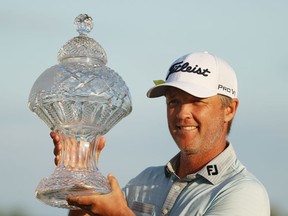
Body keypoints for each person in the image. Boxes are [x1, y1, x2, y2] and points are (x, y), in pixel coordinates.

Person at [51, 51, 270, 216]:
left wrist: (120, 214)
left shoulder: (244, 193)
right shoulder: (146, 180)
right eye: (173, 101)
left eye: (197, 101)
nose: (183, 113)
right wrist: (81, 181)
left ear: (229, 109)